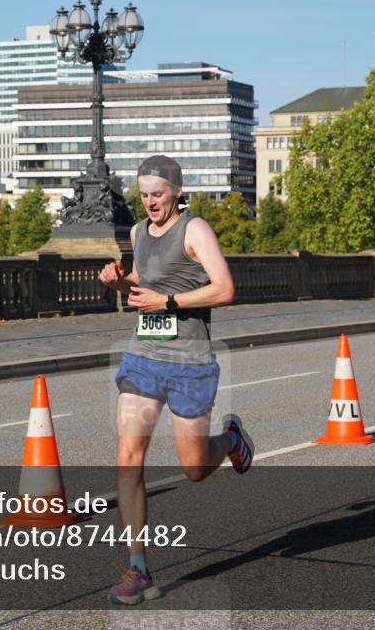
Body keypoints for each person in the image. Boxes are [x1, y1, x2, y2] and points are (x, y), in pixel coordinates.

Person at [97, 154, 254, 605]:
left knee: (194, 468)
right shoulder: (138, 232)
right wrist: (119, 282)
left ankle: (230, 439)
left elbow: (224, 289)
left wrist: (168, 303)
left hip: (188, 361)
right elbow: (144, 282)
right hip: (144, 356)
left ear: (177, 193)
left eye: (158, 194)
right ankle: (138, 568)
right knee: (128, 456)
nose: (149, 202)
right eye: (144, 194)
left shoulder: (196, 229)